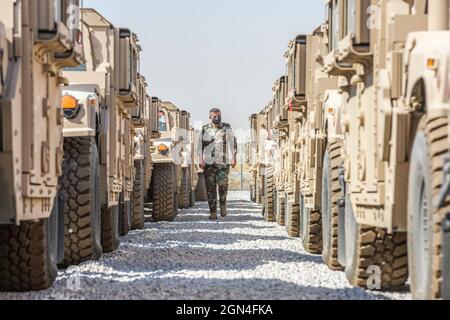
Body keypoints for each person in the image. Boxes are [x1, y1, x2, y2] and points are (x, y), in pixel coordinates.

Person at [198, 108, 238, 220]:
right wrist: (200, 160)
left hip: (223, 163)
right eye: (214, 116)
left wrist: (234, 157)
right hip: (209, 164)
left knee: (223, 186)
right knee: (210, 189)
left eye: (219, 116)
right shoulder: (205, 129)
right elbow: (200, 146)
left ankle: (223, 206)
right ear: (210, 117)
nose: (217, 118)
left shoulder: (226, 127)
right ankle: (213, 212)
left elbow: (232, 143)